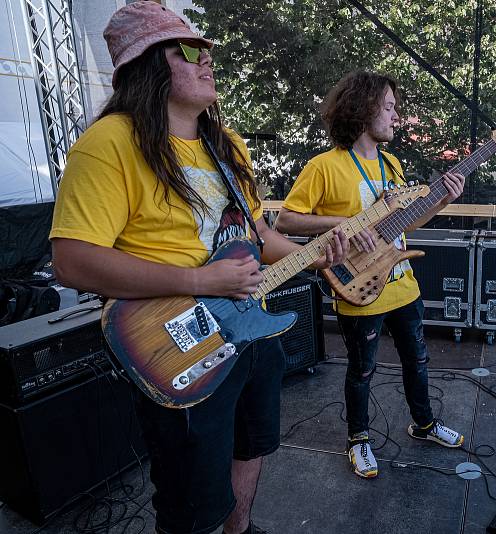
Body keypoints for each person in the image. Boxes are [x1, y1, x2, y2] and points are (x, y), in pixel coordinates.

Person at [48, 3, 348, 533]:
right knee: (189, 497)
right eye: (189, 49)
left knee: (252, 445)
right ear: (147, 66)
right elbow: (72, 260)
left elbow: (260, 237)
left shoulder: (226, 146)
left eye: (207, 49)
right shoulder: (110, 144)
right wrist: (198, 280)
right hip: (177, 342)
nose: (207, 59)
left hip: (250, 330)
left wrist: (323, 249)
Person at [275, 71, 466, 479]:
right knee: (362, 370)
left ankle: (424, 424)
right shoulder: (324, 166)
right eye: (390, 107)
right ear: (364, 109)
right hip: (358, 286)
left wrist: (443, 199)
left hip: (402, 283)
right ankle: (358, 440)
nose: (397, 116)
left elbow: (407, 222)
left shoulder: (392, 165)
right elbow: (285, 220)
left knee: (418, 360)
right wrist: (346, 223)